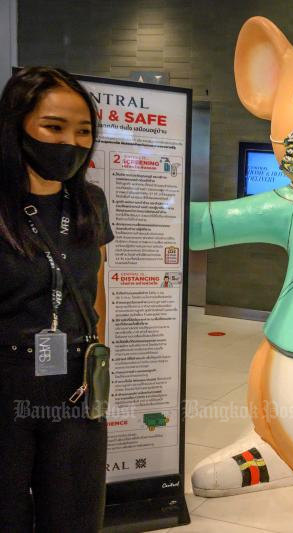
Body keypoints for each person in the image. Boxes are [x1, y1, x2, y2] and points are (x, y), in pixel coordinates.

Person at [0, 67, 114, 531]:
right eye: (54, 127)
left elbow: (95, 283)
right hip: (6, 379)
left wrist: (97, 356)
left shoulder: (90, 200)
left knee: (76, 515)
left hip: (75, 383)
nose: (71, 141)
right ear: (16, 125)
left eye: (83, 130)